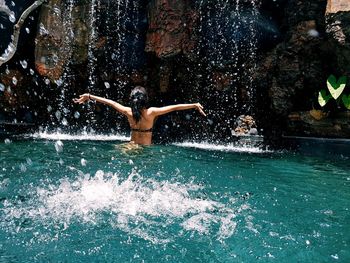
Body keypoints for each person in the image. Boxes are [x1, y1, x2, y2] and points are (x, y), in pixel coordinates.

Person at [73, 86, 206, 145]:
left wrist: (89, 96)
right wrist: (194, 105)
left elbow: (110, 102)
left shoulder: (128, 112)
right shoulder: (151, 112)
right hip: (146, 149)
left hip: (130, 146)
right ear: (145, 99)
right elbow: (174, 107)